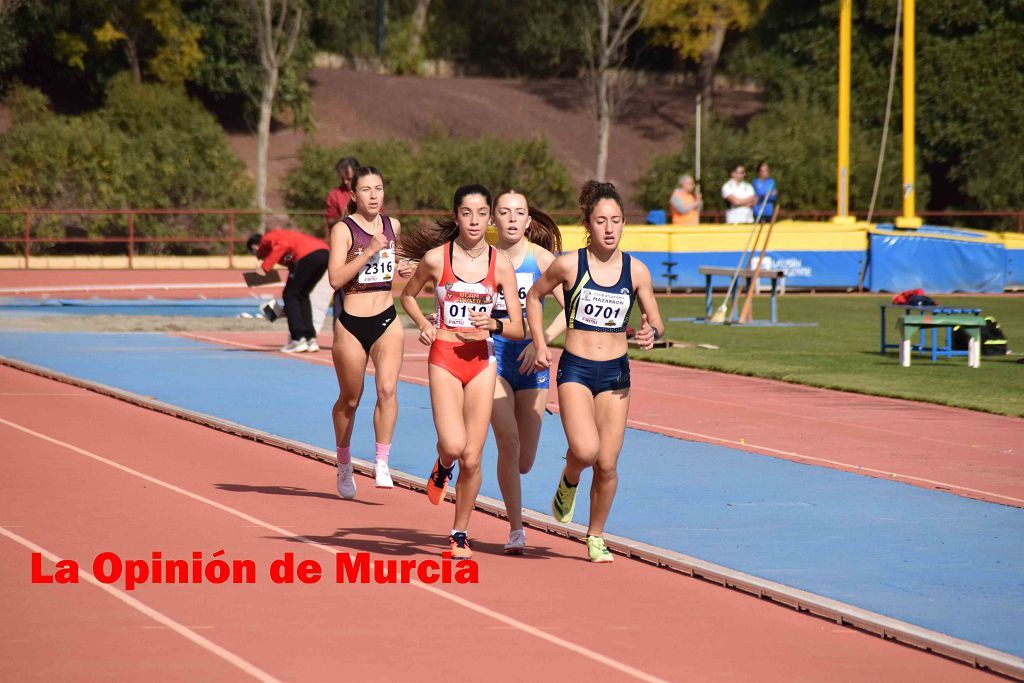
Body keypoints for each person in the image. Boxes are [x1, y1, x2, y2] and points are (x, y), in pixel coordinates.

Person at [526, 180, 664, 563]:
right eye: (601, 220)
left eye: (616, 220)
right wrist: (540, 343)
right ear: (587, 223)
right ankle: (569, 478)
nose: (609, 228)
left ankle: (596, 535)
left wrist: (652, 330)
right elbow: (535, 297)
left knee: (607, 462)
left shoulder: (636, 271)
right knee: (585, 451)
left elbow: (655, 318)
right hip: (577, 369)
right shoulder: (570, 264)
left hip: (616, 373)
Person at [400, 184, 525, 559]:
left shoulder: (500, 264)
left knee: (473, 456)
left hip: (482, 361)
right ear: (456, 216)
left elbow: (518, 327)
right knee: (454, 446)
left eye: (481, 213)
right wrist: (423, 322)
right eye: (467, 213)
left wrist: (494, 324)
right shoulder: (438, 259)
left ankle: (459, 532)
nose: (474, 220)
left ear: (489, 218)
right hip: (445, 354)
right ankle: (442, 464)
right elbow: (407, 294)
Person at [488, 190, 566, 554]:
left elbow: (572, 308)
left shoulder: (543, 259)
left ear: (529, 221)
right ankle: (516, 529)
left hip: (532, 358)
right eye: (505, 212)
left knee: (524, 462)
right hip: (493, 353)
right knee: (508, 441)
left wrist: (541, 340)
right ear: (494, 220)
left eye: (519, 213)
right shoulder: (482, 258)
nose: (513, 219)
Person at [327, 166, 406, 499]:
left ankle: (382, 460)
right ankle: (344, 461)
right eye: (367, 190)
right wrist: (370, 251)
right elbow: (335, 279)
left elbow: (398, 266)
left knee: (387, 388)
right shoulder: (343, 231)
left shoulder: (393, 226)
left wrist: (405, 267)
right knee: (351, 399)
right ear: (354, 195)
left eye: (380, 188)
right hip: (352, 324)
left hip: (387, 319)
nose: (375, 196)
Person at [247, 228, 330, 353]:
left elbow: (282, 246)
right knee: (302, 295)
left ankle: (298, 338)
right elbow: (293, 264)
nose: (259, 258)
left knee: (289, 294)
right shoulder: (283, 240)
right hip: (324, 254)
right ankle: (310, 339)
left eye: (255, 254)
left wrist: (265, 268)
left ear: (254, 247)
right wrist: (288, 310)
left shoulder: (268, 238)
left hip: (309, 255)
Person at [325, 156, 360, 226]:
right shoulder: (334, 194)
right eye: (343, 179)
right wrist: (345, 219)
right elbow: (330, 221)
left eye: (349, 179)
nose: (345, 182)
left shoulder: (371, 191)